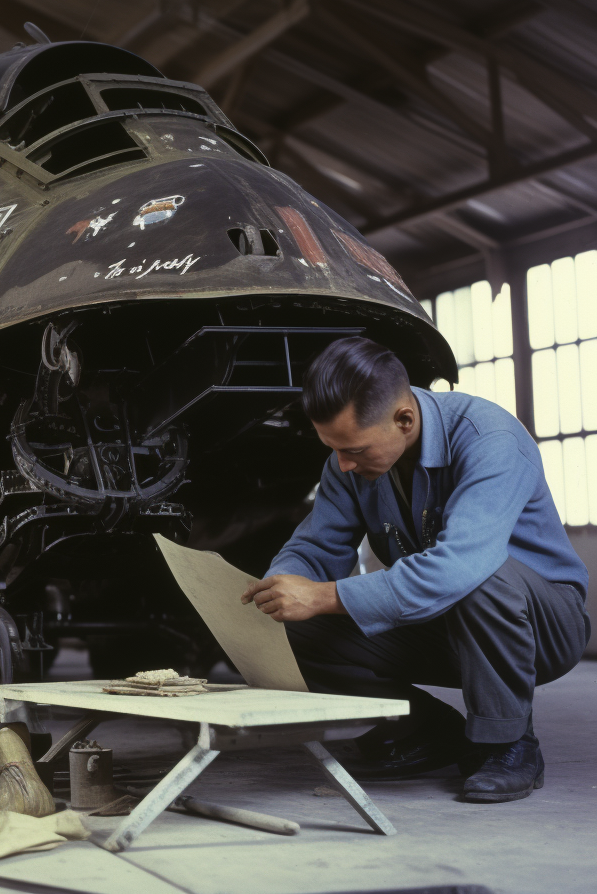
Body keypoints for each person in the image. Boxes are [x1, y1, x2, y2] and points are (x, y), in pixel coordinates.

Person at [242, 336, 589, 802]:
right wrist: (281, 589)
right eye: (333, 448)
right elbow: (313, 548)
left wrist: (323, 596)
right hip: (441, 620)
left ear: (404, 419)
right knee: (287, 630)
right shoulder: (347, 464)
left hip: (538, 626)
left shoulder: (491, 440)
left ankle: (509, 744)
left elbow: (460, 567)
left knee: (478, 577)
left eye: (357, 450)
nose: (342, 464)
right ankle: (428, 730)